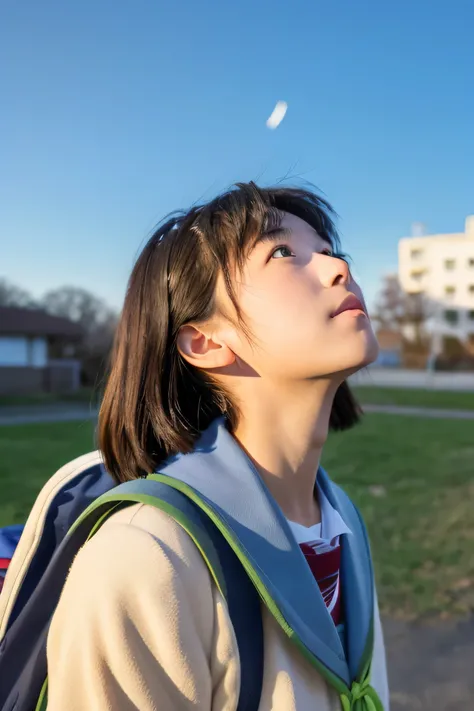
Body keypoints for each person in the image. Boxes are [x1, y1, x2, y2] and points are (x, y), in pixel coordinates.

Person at [45, 182, 388, 710]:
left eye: (326, 249)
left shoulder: (343, 520)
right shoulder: (145, 556)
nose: (337, 267)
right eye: (282, 252)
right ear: (205, 342)